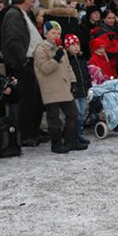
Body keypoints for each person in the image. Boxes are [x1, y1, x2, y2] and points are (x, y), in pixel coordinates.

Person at [0, 0, 46, 147]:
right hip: (24, 64)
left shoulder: (22, 13)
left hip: (31, 62)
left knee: (36, 100)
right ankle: (27, 134)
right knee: (28, 101)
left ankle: (34, 131)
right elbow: (14, 40)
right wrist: (23, 61)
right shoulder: (13, 15)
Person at [33, 21, 87, 154]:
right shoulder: (41, 49)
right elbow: (45, 68)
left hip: (63, 87)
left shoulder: (60, 49)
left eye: (58, 33)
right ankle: (56, 144)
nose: (55, 35)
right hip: (51, 88)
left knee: (73, 114)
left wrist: (73, 81)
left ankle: (71, 140)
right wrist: (56, 59)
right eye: (53, 33)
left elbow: (68, 67)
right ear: (46, 34)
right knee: (54, 118)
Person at [64, 34, 92, 145]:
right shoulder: (68, 61)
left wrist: (89, 86)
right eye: (72, 45)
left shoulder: (82, 59)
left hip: (84, 90)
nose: (75, 47)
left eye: (77, 44)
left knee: (83, 113)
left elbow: (86, 74)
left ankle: (79, 132)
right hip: (74, 91)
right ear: (67, 47)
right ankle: (75, 134)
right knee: (77, 113)